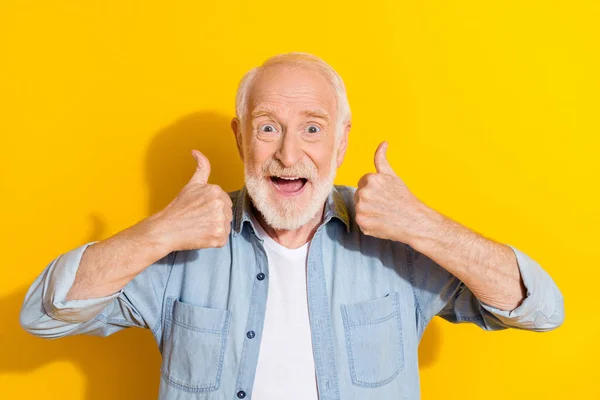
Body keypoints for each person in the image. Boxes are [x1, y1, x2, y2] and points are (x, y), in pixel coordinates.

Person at [20, 52, 564, 400]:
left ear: (342, 141)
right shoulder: (181, 246)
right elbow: (42, 315)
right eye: (267, 128)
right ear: (239, 138)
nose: (288, 153)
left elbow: (540, 308)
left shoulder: (397, 244)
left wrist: (422, 225)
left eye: (311, 128)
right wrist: (159, 232)